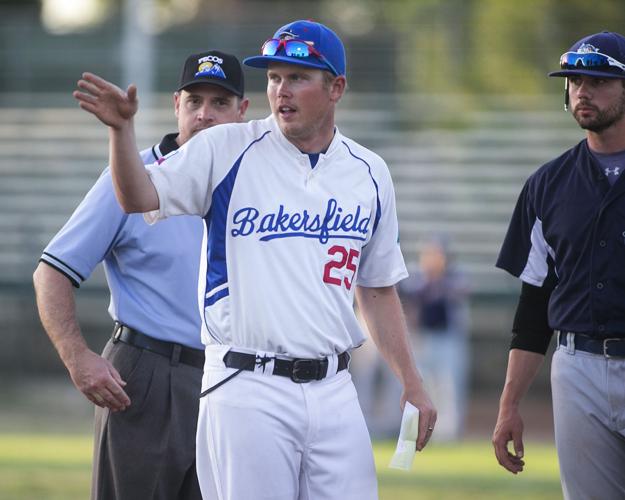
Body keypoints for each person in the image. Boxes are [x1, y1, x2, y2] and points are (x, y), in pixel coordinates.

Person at [72, 19, 436, 500]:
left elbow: (376, 287)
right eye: (273, 77)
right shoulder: (228, 148)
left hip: (334, 388)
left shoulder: (369, 173)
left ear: (336, 88)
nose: (281, 90)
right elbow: (138, 195)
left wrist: (412, 380)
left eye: (298, 77)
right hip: (248, 383)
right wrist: (121, 133)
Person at [33, 50, 248, 500]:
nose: (205, 115)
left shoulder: (252, 187)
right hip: (150, 375)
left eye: (220, 103)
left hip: (229, 379)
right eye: (194, 101)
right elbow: (52, 271)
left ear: (243, 112)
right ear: (176, 105)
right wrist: (77, 356)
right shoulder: (134, 177)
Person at [492, 31, 625, 499]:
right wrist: (509, 404)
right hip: (578, 368)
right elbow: (533, 309)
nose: (582, 90)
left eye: (599, 79)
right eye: (574, 80)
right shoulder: (546, 184)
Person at [400, 236, 470, 441]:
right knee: (425, 385)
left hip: (447, 338)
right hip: (422, 337)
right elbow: (409, 297)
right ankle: (420, 431)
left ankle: (447, 432)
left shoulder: (454, 276)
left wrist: (437, 279)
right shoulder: (417, 277)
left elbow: (461, 291)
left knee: (448, 386)